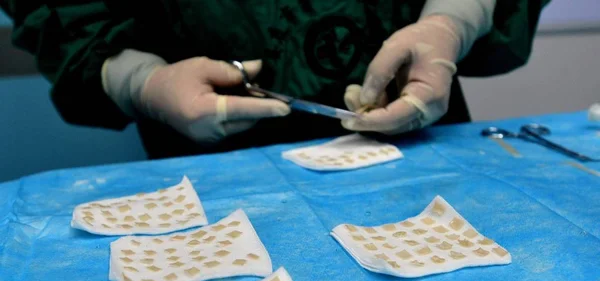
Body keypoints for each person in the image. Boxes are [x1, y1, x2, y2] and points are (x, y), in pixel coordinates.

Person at [1, 0, 549, 159]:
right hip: (214, 172)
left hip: (425, 149)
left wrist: (453, 18)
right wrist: (140, 81)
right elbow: (57, 13)